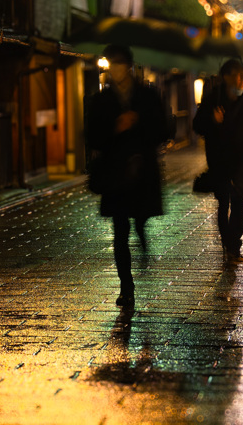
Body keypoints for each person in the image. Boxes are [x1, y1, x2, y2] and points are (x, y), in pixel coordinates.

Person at [85, 44, 168, 308]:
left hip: (142, 172)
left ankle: (143, 234)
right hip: (115, 175)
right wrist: (116, 127)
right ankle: (126, 286)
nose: (116, 70)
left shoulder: (147, 96)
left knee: (139, 216)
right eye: (112, 64)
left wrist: (139, 123)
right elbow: (91, 137)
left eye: (119, 64)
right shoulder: (101, 100)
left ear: (129, 67)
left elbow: (163, 130)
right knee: (120, 232)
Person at [192, 57, 243, 265]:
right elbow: (197, 125)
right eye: (235, 76)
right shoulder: (212, 101)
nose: (240, 81)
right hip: (220, 161)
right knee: (223, 202)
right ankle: (229, 242)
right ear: (225, 78)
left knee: (239, 204)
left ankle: (233, 246)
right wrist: (212, 120)